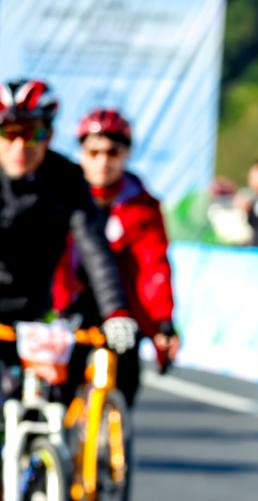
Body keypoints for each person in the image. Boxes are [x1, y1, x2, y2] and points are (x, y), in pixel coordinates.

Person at [0, 79, 137, 363]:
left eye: (31, 135)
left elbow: (94, 246)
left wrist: (116, 311)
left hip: (37, 310)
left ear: (49, 136)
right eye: (7, 134)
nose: (19, 147)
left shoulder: (67, 179)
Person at [53, 108, 178, 403]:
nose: (103, 162)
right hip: (69, 304)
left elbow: (154, 266)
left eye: (112, 153)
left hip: (123, 306)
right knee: (58, 387)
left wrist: (163, 323)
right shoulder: (60, 195)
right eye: (93, 152)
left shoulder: (142, 205)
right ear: (81, 153)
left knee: (126, 378)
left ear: (126, 154)